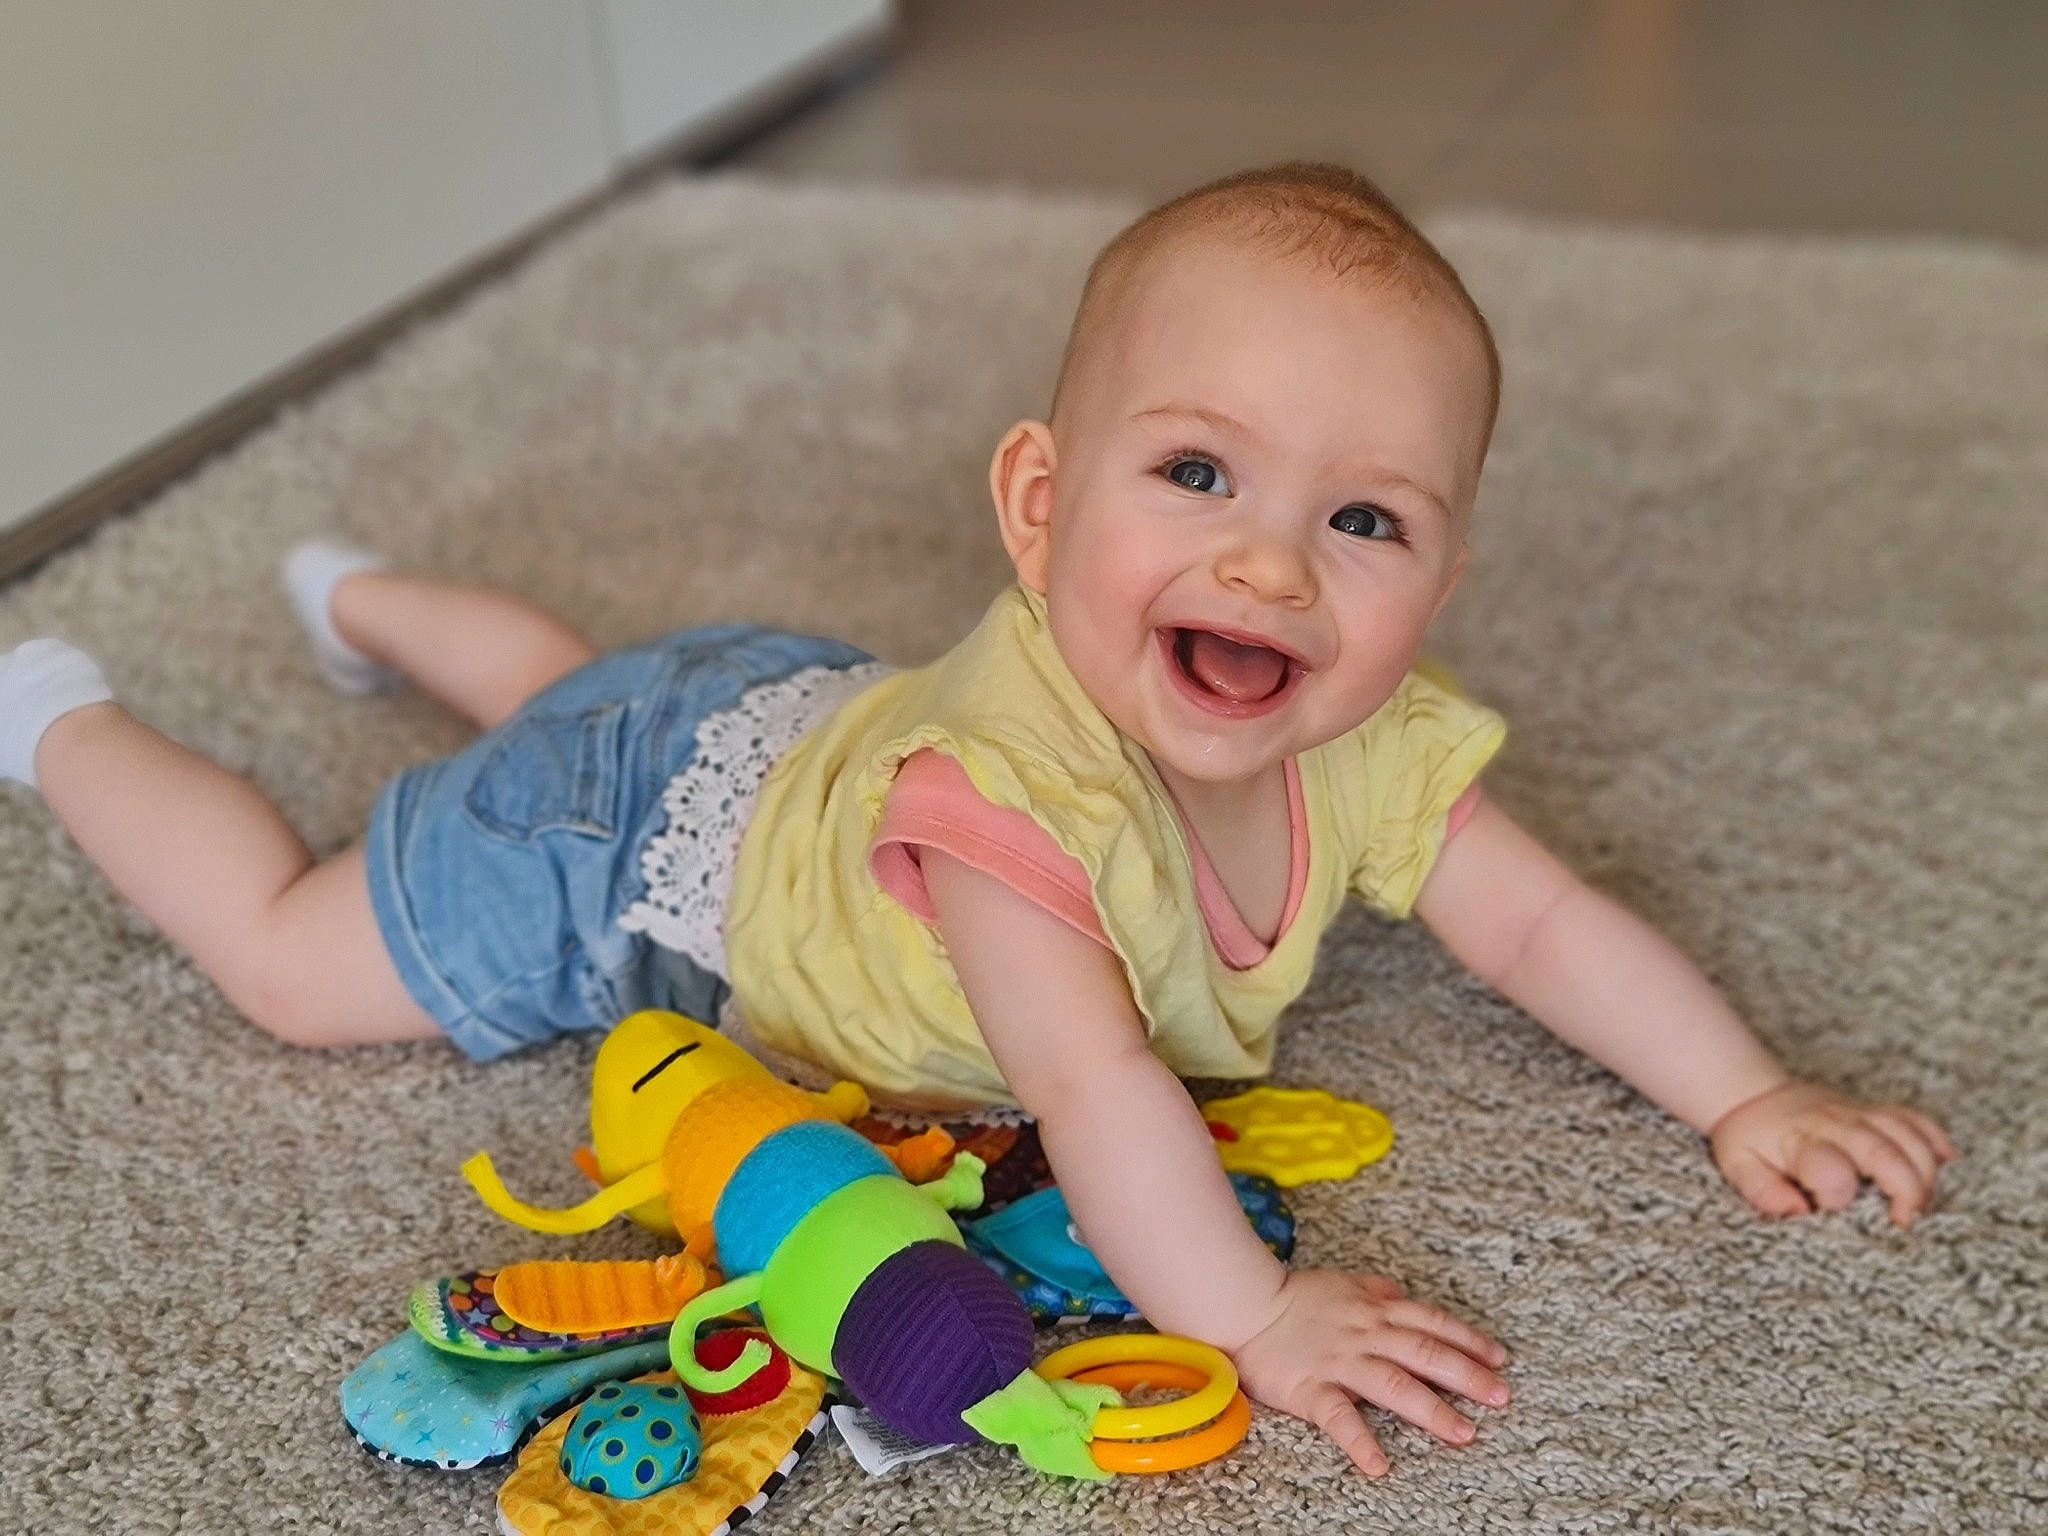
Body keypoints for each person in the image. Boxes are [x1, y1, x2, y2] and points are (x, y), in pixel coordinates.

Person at [0, 163, 1956, 1476]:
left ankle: (358, 599)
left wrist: (1742, 1095)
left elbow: (1542, 924)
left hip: (773, 717)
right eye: (1197, 472)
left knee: (585, 687)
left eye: (1363, 519)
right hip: (638, 856)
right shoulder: (1005, 800)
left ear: (1433, 582)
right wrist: (1250, 1310)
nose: (1272, 566)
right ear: (1035, 510)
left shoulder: (1373, 742)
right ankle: (59, 715)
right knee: (287, 953)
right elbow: (1093, 1090)